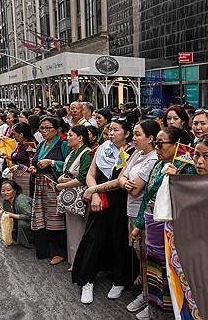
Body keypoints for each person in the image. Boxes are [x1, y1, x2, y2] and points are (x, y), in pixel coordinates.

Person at [131, 127, 196, 320]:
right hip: (151, 224)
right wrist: (138, 224)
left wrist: (175, 179)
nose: (156, 147)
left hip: (171, 228)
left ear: (176, 146)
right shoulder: (158, 165)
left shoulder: (186, 168)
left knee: (168, 271)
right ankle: (153, 306)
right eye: (156, 143)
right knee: (152, 267)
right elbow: (147, 197)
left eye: (161, 143)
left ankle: (168, 311)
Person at [72, 117, 135, 304]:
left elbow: (120, 181)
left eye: (116, 130)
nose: (111, 133)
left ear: (127, 133)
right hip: (99, 199)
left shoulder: (131, 152)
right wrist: (95, 194)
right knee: (93, 237)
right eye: (110, 130)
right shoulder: (102, 148)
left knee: (119, 239)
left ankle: (119, 280)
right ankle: (87, 280)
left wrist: (95, 190)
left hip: (120, 200)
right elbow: (91, 175)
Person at [119, 120, 160, 315]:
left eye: (137, 135)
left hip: (141, 215)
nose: (133, 139)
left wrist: (126, 182)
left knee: (145, 257)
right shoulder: (137, 153)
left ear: (151, 138)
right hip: (130, 212)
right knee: (139, 255)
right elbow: (122, 177)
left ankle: (148, 296)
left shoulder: (153, 159)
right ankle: (145, 293)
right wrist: (124, 181)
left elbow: (135, 190)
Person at [28, 116, 70, 264]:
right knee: (42, 217)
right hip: (40, 185)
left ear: (57, 129)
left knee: (55, 219)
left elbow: (68, 164)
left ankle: (60, 251)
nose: (44, 131)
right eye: (42, 128)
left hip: (53, 186)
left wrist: (52, 162)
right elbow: (35, 161)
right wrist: (34, 167)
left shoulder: (63, 144)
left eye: (48, 128)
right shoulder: (41, 144)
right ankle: (45, 248)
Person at [55, 125, 92, 269]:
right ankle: (73, 260)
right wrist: (62, 180)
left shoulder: (86, 154)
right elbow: (66, 173)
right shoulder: (72, 153)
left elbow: (83, 177)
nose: (67, 138)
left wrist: (63, 185)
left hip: (80, 196)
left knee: (79, 229)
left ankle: (80, 262)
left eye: (70, 135)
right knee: (71, 229)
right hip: (70, 195)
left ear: (80, 138)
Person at [0, 180, 34, 248]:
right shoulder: (5, 202)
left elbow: (30, 216)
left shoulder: (20, 200)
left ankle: (30, 239)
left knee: (22, 223)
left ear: (15, 191)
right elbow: (8, 213)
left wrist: (12, 215)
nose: (5, 193)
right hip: (18, 225)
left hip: (34, 225)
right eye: (3, 191)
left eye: (8, 190)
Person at [6, 123, 35, 197]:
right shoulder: (21, 144)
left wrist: (19, 167)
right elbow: (16, 157)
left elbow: (32, 165)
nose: (13, 136)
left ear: (21, 134)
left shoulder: (30, 146)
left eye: (14, 134)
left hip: (26, 179)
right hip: (18, 176)